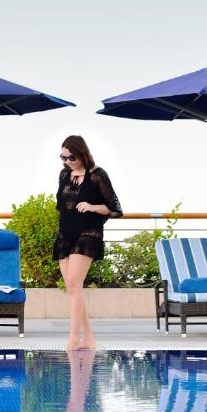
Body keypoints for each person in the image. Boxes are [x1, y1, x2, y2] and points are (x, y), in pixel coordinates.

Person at [53, 135, 122, 350]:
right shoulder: (64, 174)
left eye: (71, 157)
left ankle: (73, 339)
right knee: (72, 288)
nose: (67, 161)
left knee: (74, 284)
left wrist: (92, 206)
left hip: (88, 234)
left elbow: (114, 207)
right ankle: (89, 339)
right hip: (65, 234)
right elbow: (62, 206)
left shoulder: (97, 175)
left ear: (82, 154)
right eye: (63, 157)